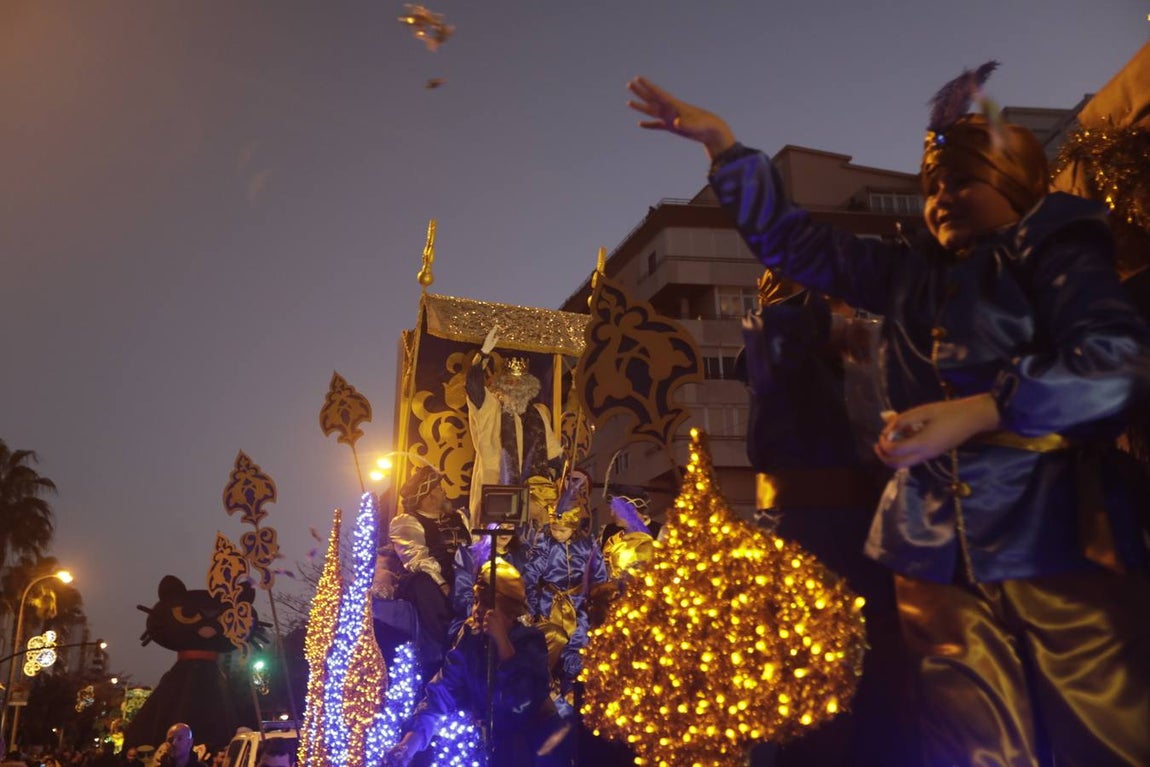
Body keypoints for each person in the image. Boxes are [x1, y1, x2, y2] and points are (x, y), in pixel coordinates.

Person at [627, 67, 1150, 766]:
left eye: (964, 181)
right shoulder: (908, 272)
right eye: (932, 186)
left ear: (1017, 183)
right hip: (932, 547)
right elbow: (798, 247)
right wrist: (725, 149)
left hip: (1052, 534)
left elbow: (1117, 364)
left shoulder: (1056, 253)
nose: (943, 199)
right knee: (971, 737)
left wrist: (983, 410)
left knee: (1097, 727)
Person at [384, 560, 571, 767]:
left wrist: (503, 644)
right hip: (480, 748)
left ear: (509, 609)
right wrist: (409, 744)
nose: (477, 610)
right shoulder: (471, 639)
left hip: (528, 750)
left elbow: (523, 702)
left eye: (487, 604)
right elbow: (443, 692)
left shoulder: (530, 641)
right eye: (475, 601)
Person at [466, 326, 563, 522]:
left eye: (520, 382)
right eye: (510, 382)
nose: (515, 387)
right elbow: (473, 388)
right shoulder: (491, 406)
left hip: (535, 496)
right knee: (496, 542)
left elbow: (554, 455)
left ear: (529, 386)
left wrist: (559, 473)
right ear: (502, 384)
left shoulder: (538, 413)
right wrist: (482, 356)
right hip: (497, 487)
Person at [523, 471, 608, 685]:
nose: (558, 534)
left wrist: (598, 608)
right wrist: (531, 609)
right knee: (550, 645)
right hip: (549, 604)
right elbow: (531, 575)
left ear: (573, 527)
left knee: (579, 647)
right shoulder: (544, 543)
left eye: (563, 530)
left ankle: (573, 689)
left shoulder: (588, 546)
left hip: (579, 607)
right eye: (554, 528)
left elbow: (599, 578)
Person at [390, 464, 473, 676]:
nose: (444, 491)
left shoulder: (460, 517)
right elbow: (417, 558)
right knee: (422, 584)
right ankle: (444, 649)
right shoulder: (407, 522)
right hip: (430, 580)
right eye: (439, 488)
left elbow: (475, 546)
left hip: (464, 575)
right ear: (428, 496)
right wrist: (443, 584)